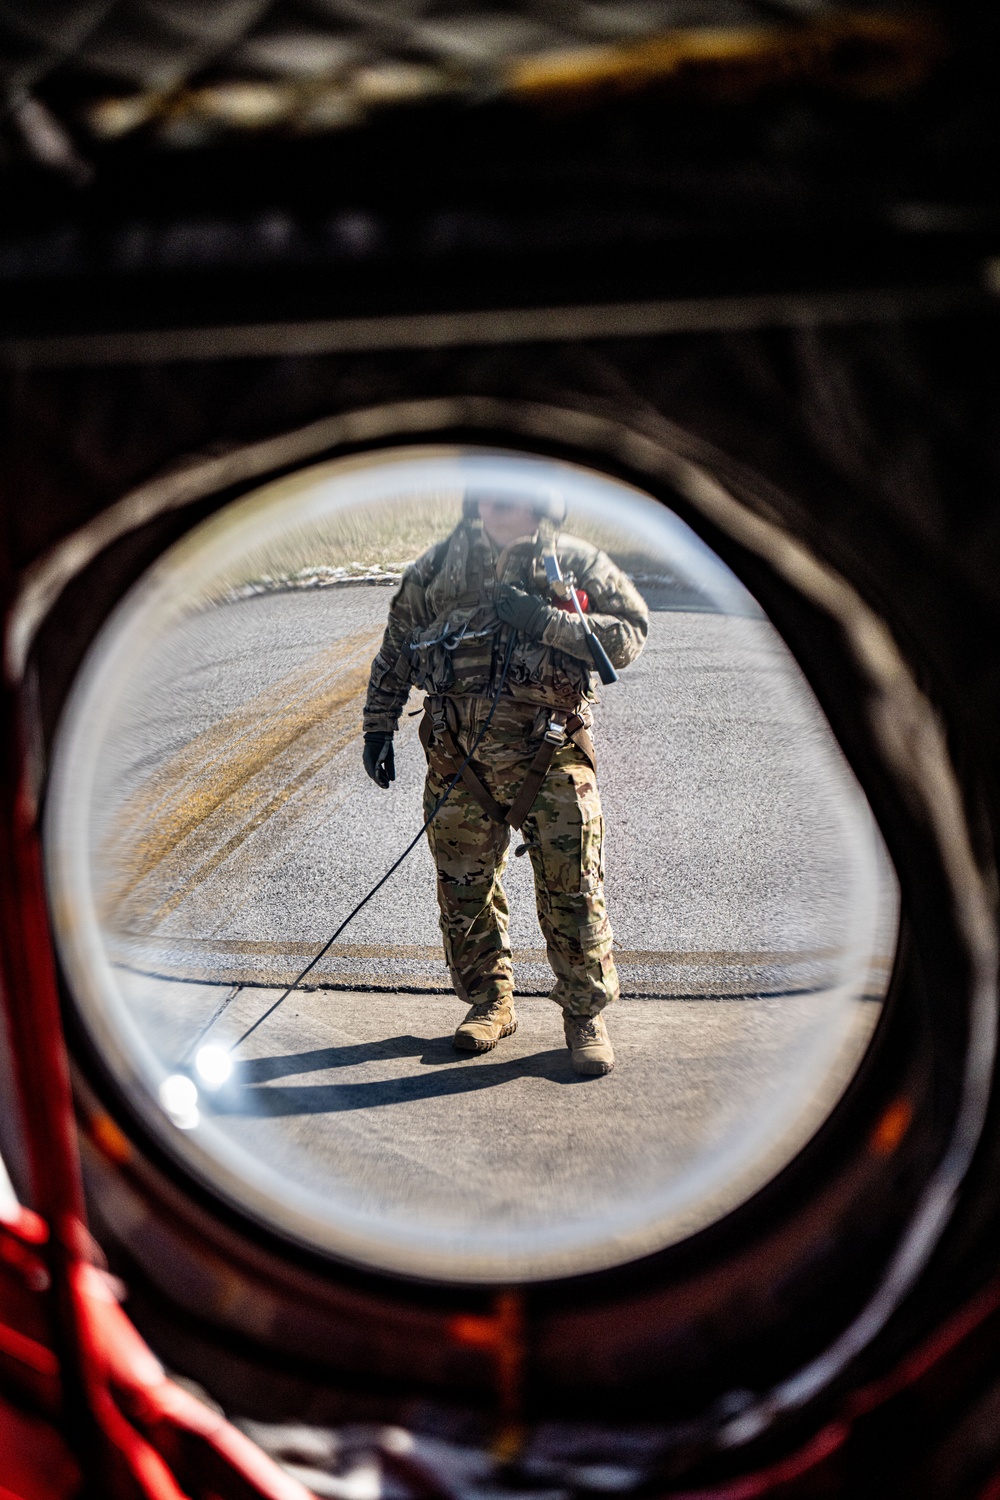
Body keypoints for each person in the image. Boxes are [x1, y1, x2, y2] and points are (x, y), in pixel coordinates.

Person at [361, 488, 648, 1075]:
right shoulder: (436, 569)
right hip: (457, 760)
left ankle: (582, 1014)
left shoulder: (576, 563)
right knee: (464, 887)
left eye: (515, 500)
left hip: (551, 753)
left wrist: (547, 621)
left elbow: (628, 635)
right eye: (491, 499)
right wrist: (378, 725)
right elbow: (396, 648)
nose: (501, 510)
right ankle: (490, 1001)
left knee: (573, 889)